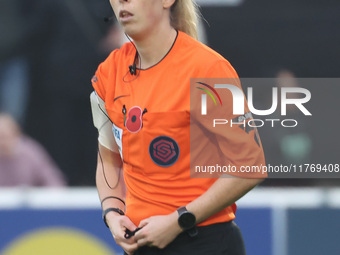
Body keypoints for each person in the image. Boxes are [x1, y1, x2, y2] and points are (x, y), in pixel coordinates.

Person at [90, 1, 265, 254]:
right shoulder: (109, 72)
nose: (122, 1)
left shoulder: (207, 68)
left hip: (204, 242)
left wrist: (178, 220)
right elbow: (109, 161)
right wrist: (112, 214)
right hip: (143, 244)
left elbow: (250, 167)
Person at [0, 113, 66, 187]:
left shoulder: (30, 152)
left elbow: (54, 180)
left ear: (16, 134)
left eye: (4, 136)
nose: (2, 142)